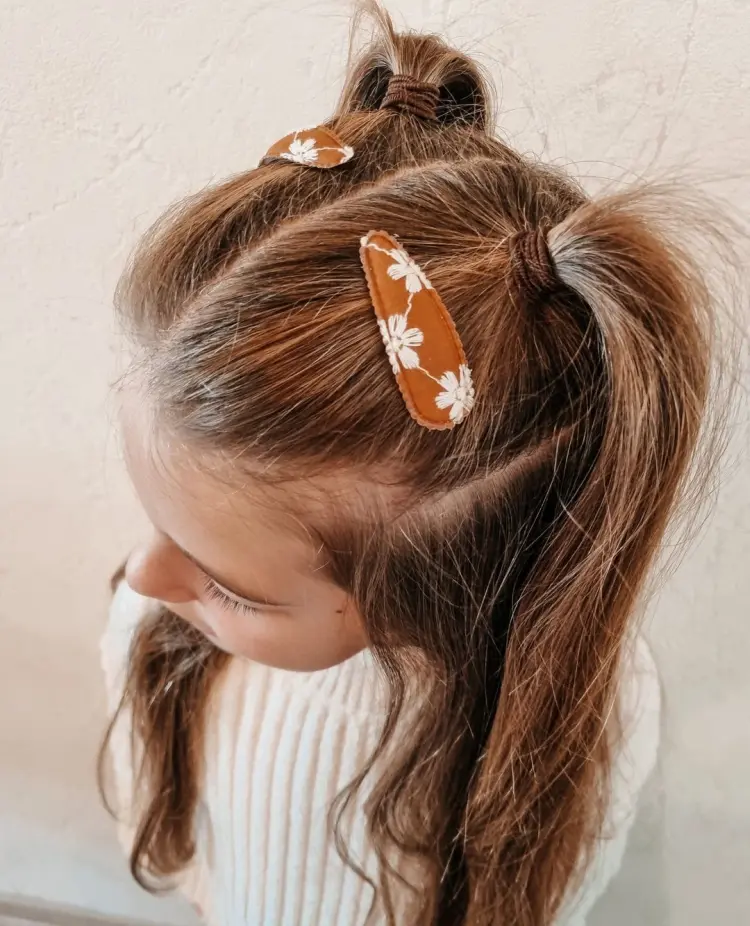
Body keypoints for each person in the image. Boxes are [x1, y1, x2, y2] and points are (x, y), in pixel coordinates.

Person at [99, 5, 728, 925]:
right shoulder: (164, 625)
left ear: (434, 588)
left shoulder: (582, 729)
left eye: (233, 589)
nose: (145, 579)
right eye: (159, 522)